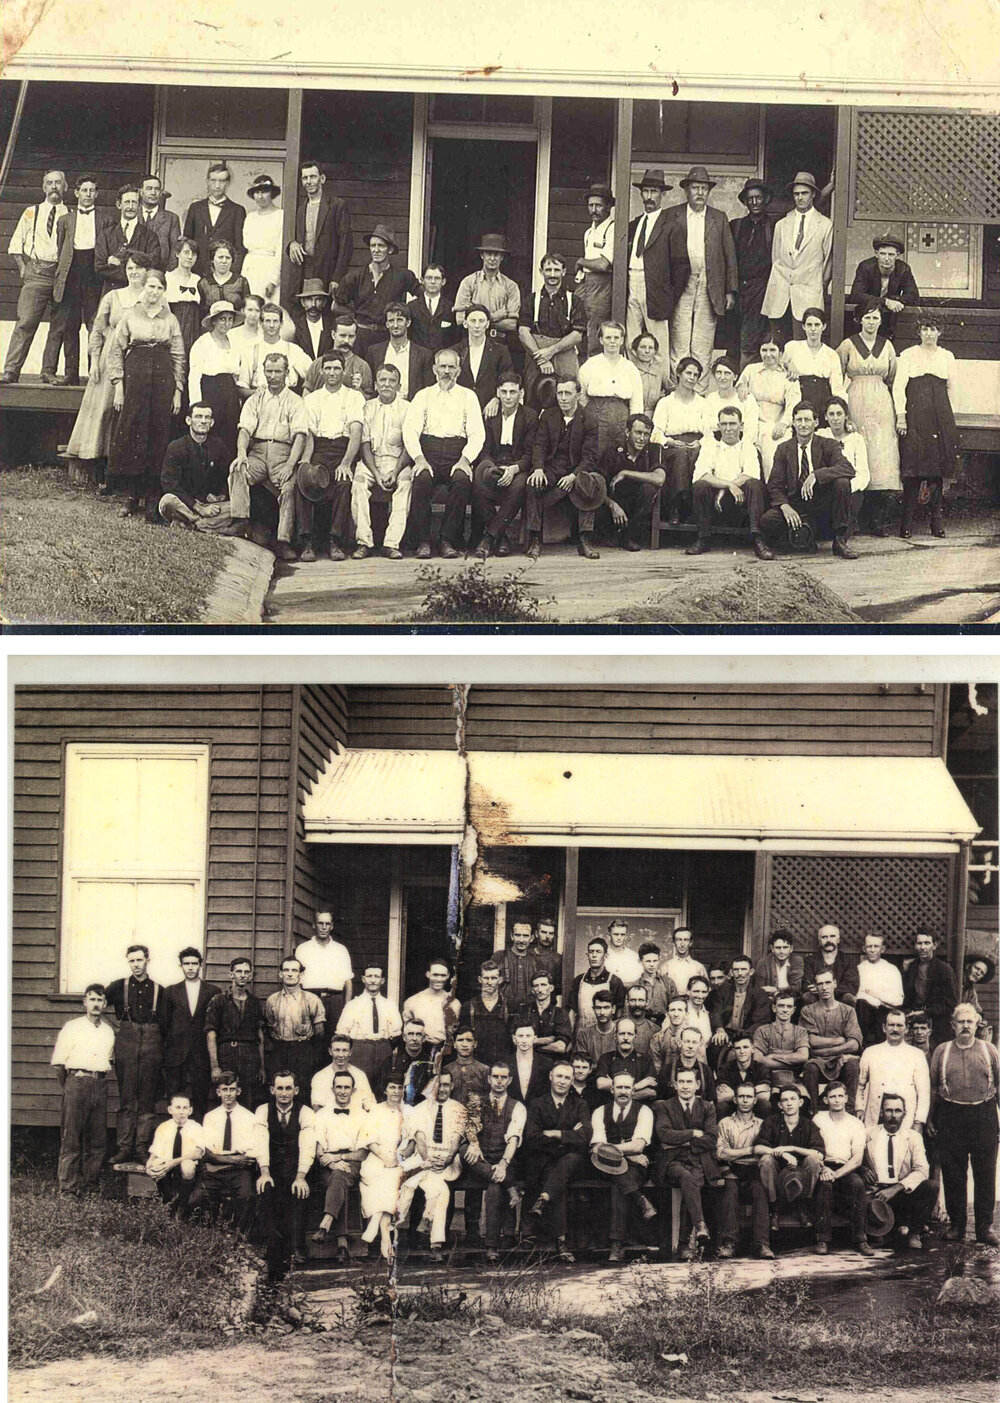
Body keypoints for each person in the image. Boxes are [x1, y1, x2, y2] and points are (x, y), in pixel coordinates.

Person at [103, 267, 184, 519]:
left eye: (159, 288)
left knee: (158, 434)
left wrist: (178, 391)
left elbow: (179, 356)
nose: (154, 292)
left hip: (162, 380)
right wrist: (118, 386)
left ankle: (152, 496)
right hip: (135, 378)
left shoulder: (170, 319)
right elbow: (116, 351)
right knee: (133, 433)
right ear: (144, 287)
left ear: (164, 291)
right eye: (151, 286)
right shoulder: (130, 315)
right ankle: (132, 495)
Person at [402, 347, 485, 559]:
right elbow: (410, 431)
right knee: (421, 480)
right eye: (442, 366)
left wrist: (465, 460)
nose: (446, 371)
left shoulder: (468, 396)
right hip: (427, 452)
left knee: (462, 481)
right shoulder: (423, 396)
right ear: (434, 369)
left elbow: (477, 433)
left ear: (458, 370)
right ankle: (423, 541)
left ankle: (447, 540)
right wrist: (419, 458)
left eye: (451, 367)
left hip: (456, 453)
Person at [929, 1005, 1000, 1246]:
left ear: (977, 1024)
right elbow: (934, 1087)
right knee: (953, 1173)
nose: (966, 1026)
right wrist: (931, 1118)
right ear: (953, 1025)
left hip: (984, 1114)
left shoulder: (989, 1050)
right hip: (951, 1114)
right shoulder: (942, 1051)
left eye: (970, 1022)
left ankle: (984, 1227)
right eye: (961, 1022)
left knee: (985, 1173)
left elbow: (999, 1085)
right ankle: (957, 1225)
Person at [227, 351, 309, 559]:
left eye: (278, 371)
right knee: (238, 469)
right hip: (258, 452)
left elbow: (300, 436)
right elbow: (245, 430)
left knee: (289, 486)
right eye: (269, 371)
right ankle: (241, 521)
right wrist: (241, 454)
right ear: (263, 372)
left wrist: (290, 464)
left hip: (283, 453)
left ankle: (283, 541)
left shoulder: (295, 401)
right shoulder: (255, 400)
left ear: (287, 373)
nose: (273, 376)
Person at [665, 165, 738, 390]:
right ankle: (678, 390)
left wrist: (730, 290)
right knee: (679, 339)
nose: (699, 193)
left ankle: (700, 392)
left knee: (703, 341)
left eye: (704, 188)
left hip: (709, 284)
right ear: (686, 190)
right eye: (695, 188)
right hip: (681, 284)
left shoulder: (719, 217)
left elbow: (729, 256)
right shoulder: (672, 215)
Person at [760, 401, 857, 558]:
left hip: (821, 503)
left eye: (807, 420)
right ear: (793, 423)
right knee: (767, 521)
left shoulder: (828, 444)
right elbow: (774, 485)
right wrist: (785, 506)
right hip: (795, 503)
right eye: (799, 420)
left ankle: (839, 541)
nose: (803, 424)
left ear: (816, 422)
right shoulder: (784, 449)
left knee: (842, 483)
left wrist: (816, 475)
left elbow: (848, 468)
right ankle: (802, 538)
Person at [835, 297, 899, 533]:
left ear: (880, 321)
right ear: (859, 320)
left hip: (881, 403)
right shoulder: (848, 345)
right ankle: (853, 518)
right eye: (867, 317)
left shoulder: (887, 346)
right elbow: (837, 373)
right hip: (856, 400)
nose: (871, 322)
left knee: (881, 456)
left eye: (875, 318)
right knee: (859, 453)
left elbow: (892, 376)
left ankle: (876, 519)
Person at [295, 349, 365, 563]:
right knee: (304, 481)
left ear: (344, 371)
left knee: (344, 482)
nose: (332, 372)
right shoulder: (312, 399)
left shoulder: (354, 397)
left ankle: (335, 540)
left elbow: (356, 433)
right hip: (319, 448)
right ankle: (307, 541)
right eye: (328, 368)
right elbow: (309, 435)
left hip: (343, 449)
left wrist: (346, 463)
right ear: (321, 371)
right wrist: (306, 461)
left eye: (336, 368)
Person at [893, 310, 958, 540]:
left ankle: (936, 523)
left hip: (940, 417)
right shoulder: (908, 355)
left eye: (933, 329)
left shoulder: (947, 356)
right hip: (916, 417)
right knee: (913, 470)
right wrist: (901, 415)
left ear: (939, 332)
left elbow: (952, 388)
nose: (929, 333)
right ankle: (906, 524)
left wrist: (949, 418)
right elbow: (899, 387)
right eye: (925, 329)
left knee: (936, 472)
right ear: (919, 332)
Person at [525, 374, 604, 560]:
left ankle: (585, 539)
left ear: (578, 395)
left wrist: (573, 476)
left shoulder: (589, 419)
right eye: (559, 393)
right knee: (533, 483)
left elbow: (590, 457)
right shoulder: (548, 416)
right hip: (553, 468)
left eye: (567, 393)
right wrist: (538, 469)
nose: (563, 398)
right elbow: (539, 445)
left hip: (577, 469)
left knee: (588, 483)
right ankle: (535, 539)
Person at [2, 169, 70, 384]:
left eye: (58, 183)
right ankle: (11, 370)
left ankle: (48, 371)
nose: (54, 187)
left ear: (65, 187)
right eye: (50, 183)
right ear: (43, 187)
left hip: (61, 275)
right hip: (36, 273)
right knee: (26, 322)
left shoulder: (71, 214)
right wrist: (23, 267)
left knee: (58, 327)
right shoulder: (31, 212)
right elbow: (15, 244)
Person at [522, 1061, 591, 1263]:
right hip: (544, 1161)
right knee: (557, 1180)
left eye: (567, 1078)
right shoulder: (536, 1104)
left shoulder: (580, 1105)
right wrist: (568, 1136)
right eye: (559, 1076)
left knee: (569, 1161)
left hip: (573, 1163)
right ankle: (561, 1242)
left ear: (572, 1081)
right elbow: (532, 1137)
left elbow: (586, 1136)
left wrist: (553, 1133)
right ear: (550, 1076)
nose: (562, 1081)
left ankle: (543, 1201)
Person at [51, 983, 115, 1194]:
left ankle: (90, 1187)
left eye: (100, 1000)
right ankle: (68, 1189)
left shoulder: (108, 1031)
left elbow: (109, 1060)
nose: (96, 1004)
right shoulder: (72, 1027)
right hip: (77, 1082)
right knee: (71, 1137)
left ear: (105, 1003)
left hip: (100, 1084)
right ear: (85, 1002)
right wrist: (70, 1086)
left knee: (97, 1139)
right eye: (92, 999)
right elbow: (59, 1064)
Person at [395, 1068, 466, 1260]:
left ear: (452, 1086)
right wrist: (428, 1160)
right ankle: (434, 1242)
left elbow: (456, 1141)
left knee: (428, 1182)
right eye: (438, 1085)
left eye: (446, 1085)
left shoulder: (459, 1109)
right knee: (440, 1191)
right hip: (423, 1158)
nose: (441, 1089)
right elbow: (420, 1139)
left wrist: (447, 1159)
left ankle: (426, 1222)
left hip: (447, 1161)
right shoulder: (420, 1109)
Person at [459, 1060, 526, 1261]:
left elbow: (513, 1139)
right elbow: (470, 1128)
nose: (499, 1081)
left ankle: (491, 1247)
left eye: (503, 1077)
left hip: (504, 1161)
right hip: (480, 1162)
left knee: (495, 1188)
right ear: (488, 1079)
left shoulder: (517, 1107)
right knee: (463, 1150)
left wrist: (503, 1164)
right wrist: (473, 1143)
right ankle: (509, 1186)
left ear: (509, 1080)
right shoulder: (476, 1102)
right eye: (495, 1077)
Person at [687, 404, 771, 559]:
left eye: (732, 424)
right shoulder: (711, 447)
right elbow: (701, 475)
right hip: (715, 505)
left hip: (741, 504)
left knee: (754, 485)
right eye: (724, 424)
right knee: (700, 486)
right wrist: (728, 485)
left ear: (741, 426)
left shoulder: (748, 447)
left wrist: (726, 489)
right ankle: (703, 538)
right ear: (718, 426)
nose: (728, 428)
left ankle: (758, 539)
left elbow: (751, 474)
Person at [254, 1068, 316, 1280]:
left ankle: (297, 1245)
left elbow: (308, 1146)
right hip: (270, 1166)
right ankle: (268, 1243)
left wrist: (301, 1176)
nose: (284, 1093)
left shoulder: (305, 1112)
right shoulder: (263, 1110)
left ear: (296, 1090)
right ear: (272, 1090)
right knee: (265, 1189)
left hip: (296, 1167)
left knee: (300, 1191)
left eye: (288, 1088)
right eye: (279, 1088)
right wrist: (264, 1171)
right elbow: (260, 1141)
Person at [654, 1067, 721, 1259]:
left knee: (692, 1183)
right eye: (681, 1082)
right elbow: (664, 1134)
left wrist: (682, 1141)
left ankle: (684, 1245)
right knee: (686, 1177)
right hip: (672, 1161)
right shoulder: (664, 1106)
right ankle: (699, 1226)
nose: (685, 1086)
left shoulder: (707, 1107)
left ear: (697, 1085)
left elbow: (711, 1139)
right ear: (675, 1085)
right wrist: (692, 1133)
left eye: (689, 1082)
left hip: (699, 1160)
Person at [105, 946, 163, 1164]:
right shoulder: (118, 986)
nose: (136, 964)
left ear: (148, 960)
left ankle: (141, 1147)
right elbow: (98, 1004)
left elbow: (166, 1023)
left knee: (147, 1100)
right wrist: (114, 1027)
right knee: (127, 1098)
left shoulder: (158, 990)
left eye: (139, 960)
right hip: (126, 1044)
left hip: (151, 1045)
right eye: (132, 961)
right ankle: (124, 1148)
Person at [591, 1072, 658, 1262]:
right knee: (615, 1174)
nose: (623, 1091)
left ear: (633, 1090)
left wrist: (621, 1151)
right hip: (604, 1165)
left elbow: (639, 1145)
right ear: (612, 1089)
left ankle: (616, 1245)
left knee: (618, 1183)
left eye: (627, 1087)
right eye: (619, 1087)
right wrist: (629, 1154)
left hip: (636, 1168)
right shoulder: (599, 1111)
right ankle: (640, 1200)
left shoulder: (644, 1111)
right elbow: (598, 1148)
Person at [625, 168, 688, 368]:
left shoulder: (671, 226)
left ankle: (661, 384)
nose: (649, 197)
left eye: (654, 192)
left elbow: (682, 267)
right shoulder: (635, 224)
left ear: (662, 195)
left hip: (656, 288)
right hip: (632, 282)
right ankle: (637, 382)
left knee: (657, 344)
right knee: (631, 341)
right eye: (646, 191)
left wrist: (669, 296)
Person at [472, 371, 538, 559]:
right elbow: (484, 449)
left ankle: (489, 537)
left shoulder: (530, 416)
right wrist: (491, 466)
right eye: (504, 392)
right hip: (494, 462)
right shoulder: (490, 414)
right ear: (498, 393)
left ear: (521, 393)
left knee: (520, 486)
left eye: (513, 392)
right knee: (479, 478)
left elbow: (530, 453)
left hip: (518, 465)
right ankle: (502, 539)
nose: (508, 397)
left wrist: (514, 469)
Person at [189, 1071, 264, 1233]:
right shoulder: (210, 1117)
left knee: (247, 1197)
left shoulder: (250, 1117)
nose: (228, 1094)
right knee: (195, 1199)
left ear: (239, 1091)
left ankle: (239, 1237)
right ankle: (208, 1235)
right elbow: (207, 1153)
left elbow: (249, 1158)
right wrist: (232, 1160)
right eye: (224, 1089)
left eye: (232, 1089)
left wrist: (224, 1160)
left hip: (238, 1171)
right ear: (218, 1092)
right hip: (216, 1170)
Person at [352, 364, 413, 560]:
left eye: (392, 381)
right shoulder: (367, 407)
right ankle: (364, 542)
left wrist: (395, 472)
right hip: (371, 462)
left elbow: (409, 445)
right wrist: (376, 474)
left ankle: (391, 544)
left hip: (398, 462)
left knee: (406, 484)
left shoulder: (408, 408)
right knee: (358, 484)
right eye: (382, 380)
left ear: (399, 386)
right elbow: (364, 444)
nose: (387, 384)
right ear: (376, 385)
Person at [762, 171, 833, 341]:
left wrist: (817, 286)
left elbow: (827, 263)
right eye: (796, 194)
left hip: (808, 294)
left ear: (813, 194)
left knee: (803, 345)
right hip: (780, 295)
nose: (800, 198)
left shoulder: (825, 225)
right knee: (779, 343)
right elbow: (776, 258)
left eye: (804, 193)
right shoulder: (782, 224)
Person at [51, 174, 106, 384]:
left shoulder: (105, 220)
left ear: (97, 194)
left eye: (92, 190)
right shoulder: (65, 220)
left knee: (95, 326)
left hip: (94, 276)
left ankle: (94, 374)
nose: (88, 194)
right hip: (72, 275)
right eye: (84, 190)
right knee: (70, 326)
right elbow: (61, 250)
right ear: (76, 193)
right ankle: (71, 373)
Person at [863, 1092, 935, 1252]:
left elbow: (922, 1169)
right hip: (876, 1192)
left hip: (901, 1191)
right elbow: (854, 1158)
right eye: (889, 1110)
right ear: (881, 1112)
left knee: (931, 1186)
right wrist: (863, 1169)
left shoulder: (913, 1137)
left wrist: (896, 1188)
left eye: (897, 1111)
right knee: (878, 1235)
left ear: (904, 1113)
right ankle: (896, 1227)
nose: (893, 1115)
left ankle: (914, 1233)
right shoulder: (867, 1134)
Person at [754, 1085, 825, 1246]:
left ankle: (803, 1205)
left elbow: (819, 1153)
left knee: (814, 1161)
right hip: (778, 1173)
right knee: (766, 1160)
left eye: (793, 1099)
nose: (789, 1103)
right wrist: (781, 1153)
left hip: (801, 1173)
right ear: (780, 1105)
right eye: (784, 1100)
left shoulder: (808, 1125)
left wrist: (792, 1148)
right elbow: (758, 1148)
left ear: (800, 1102)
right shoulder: (771, 1122)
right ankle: (774, 1208)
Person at [336, 223, 419, 357]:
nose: (376, 250)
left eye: (381, 246)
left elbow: (423, 297)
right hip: (361, 336)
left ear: (390, 249)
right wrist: (354, 316)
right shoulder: (356, 276)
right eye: (373, 246)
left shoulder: (402, 276)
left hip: (387, 336)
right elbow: (336, 305)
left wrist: (404, 312)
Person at [310, 1070, 369, 1259]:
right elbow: (319, 1151)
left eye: (347, 1087)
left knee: (340, 1176)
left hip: (351, 1162)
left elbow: (362, 1153)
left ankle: (326, 1224)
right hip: (327, 1165)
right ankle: (341, 1242)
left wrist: (340, 1158)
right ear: (332, 1089)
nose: (343, 1091)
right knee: (338, 1177)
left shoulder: (362, 1115)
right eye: (339, 1087)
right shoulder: (322, 1115)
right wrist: (332, 1163)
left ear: (353, 1090)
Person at [158, 948, 221, 1120]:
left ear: (200, 965)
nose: (190, 967)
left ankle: (198, 1132)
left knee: (200, 1098)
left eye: (194, 963)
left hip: (201, 1053)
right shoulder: (170, 991)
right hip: (175, 1054)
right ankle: (175, 1131)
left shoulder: (213, 991)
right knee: (174, 1097)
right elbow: (164, 1024)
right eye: (186, 964)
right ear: (181, 966)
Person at [517, 251, 585, 409]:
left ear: (564, 271)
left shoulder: (574, 300)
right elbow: (523, 332)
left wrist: (551, 351)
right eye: (548, 270)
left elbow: (577, 335)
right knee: (532, 401)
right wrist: (541, 358)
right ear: (541, 272)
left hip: (564, 355)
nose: (552, 274)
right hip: (536, 355)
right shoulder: (531, 300)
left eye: (556, 270)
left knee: (567, 399)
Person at [813, 1082, 874, 1256]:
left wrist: (837, 1174)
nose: (837, 1100)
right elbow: (813, 1148)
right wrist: (824, 1169)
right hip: (823, 1165)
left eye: (840, 1096)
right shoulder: (818, 1119)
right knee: (824, 1185)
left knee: (857, 1184)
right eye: (832, 1096)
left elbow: (857, 1158)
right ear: (826, 1100)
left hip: (846, 1167)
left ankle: (861, 1239)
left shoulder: (856, 1123)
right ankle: (823, 1239)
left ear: (846, 1098)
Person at [717, 1082, 772, 1257]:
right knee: (729, 1191)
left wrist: (734, 1153)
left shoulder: (763, 1124)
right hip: (731, 1170)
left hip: (754, 1171)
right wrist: (751, 1150)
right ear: (735, 1099)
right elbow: (721, 1153)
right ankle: (730, 1242)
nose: (745, 1100)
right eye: (741, 1096)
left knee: (760, 1191)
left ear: (755, 1100)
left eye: (749, 1097)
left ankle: (762, 1244)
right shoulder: (725, 1123)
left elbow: (765, 1153)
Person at [730, 178, 780, 370]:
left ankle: (747, 377)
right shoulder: (736, 226)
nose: (754, 202)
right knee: (733, 339)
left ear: (766, 199)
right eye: (750, 198)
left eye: (758, 197)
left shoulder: (774, 226)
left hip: (761, 289)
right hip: (738, 290)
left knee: (751, 339)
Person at [649, 357, 707, 525]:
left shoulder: (703, 403)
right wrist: (670, 442)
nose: (692, 378)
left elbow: (709, 431)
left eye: (696, 375)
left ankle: (694, 508)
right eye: (688, 373)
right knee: (681, 456)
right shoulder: (666, 402)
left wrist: (700, 443)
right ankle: (676, 506)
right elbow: (656, 433)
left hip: (696, 444)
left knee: (697, 455)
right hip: (672, 446)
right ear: (679, 374)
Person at [205, 957, 267, 1111]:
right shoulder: (218, 1000)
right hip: (227, 1054)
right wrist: (214, 1066)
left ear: (250, 975)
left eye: (246, 972)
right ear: (231, 974)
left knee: (248, 1099)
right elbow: (211, 1034)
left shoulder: (254, 1002)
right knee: (226, 1096)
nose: (243, 975)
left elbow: (259, 1036)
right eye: (239, 971)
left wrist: (261, 1067)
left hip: (249, 1056)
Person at [159, 402, 232, 531]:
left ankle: (191, 524)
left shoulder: (219, 446)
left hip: (210, 505)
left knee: (237, 508)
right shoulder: (176, 447)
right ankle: (202, 523)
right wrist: (198, 508)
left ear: (212, 422)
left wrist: (221, 495)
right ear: (188, 420)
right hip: (185, 503)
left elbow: (228, 475)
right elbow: (169, 484)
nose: (203, 421)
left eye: (207, 417)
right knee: (167, 501)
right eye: (198, 416)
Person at [856, 1008, 931, 1134]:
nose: (895, 1029)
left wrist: (919, 1121)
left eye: (899, 1025)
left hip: (905, 1117)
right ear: (884, 1028)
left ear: (906, 1029)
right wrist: (859, 1108)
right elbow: (860, 1085)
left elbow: (924, 1093)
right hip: (876, 1115)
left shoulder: (917, 1055)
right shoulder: (870, 1052)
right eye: (891, 1025)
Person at [286, 160, 353, 300]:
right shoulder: (301, 209)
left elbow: (346, 245)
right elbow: (296, 237)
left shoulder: (336, 206)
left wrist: (337, 278)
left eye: (312, 177)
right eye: (305, 178)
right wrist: (292, 244)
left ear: (322, 179)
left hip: (327, 272)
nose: (308, 181)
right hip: (304, 271)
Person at [358, 1072, 406, 1261]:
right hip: (377, 1156)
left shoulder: (408, 1111)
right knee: (375, 1177)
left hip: (398, 1158)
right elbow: (368, 1139)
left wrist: (398, 1156)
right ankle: (386, 1236)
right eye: (392, 1087)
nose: (396, 1091)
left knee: (392, 1179)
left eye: (400, 1087)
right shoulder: (376, 1110)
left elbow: (411, 1140)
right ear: (385, 1090)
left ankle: (378, 1228)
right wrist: (384, 1157)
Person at [578, 319, 644, 457]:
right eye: (608, 337)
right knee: (594, 455)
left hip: (621, 421)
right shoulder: (590, 365)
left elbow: (636, 402)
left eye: (616, 338)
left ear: (622, 340)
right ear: (601, 340)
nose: (612, 341)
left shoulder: (630, 368)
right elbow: (581, 395)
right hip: (595, 420)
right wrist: (591, 416)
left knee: (618, 456)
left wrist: (633, 426)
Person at [799, 969, 863, 1111]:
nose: (824, 987)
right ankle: (813, 1111)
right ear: (816, 987)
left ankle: (849, 1110)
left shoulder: (848, 1011)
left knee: (852, 1063)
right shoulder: (808, 1011)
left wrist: (825, 1050)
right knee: (810, 1067)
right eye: (820, 984)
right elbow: (811, 1040)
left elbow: (854, 1044)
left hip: (841, 1060)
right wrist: (839, 1041)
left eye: (828, 982)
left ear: (835, 984)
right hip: (817, 1061)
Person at [601, 413, 665, 553]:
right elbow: (599, 486)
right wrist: (612, 505)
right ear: (627, 432)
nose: (642, 438)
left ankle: (629, 536)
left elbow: (660, 479)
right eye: (638, 432)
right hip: (613, 508)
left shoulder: (653, 450)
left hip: (637, 510)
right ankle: (612, 533)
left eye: (646, 434)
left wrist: (626, 473)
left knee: (649, 488)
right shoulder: (613, 451)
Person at [736, 339, 799, 475]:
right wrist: (741, 386)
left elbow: (793, 404)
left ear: (780, 353)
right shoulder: (751, 370)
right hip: (750, 423)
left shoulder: (788, 375)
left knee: (771, 460)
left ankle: (772, 487)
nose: (768, 354)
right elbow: (738, 389)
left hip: (775, 424)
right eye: (764, 350)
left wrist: (784, 423)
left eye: (772, 350)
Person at [188, 300, 241, 458]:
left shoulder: (234, 342)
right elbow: (194, 376)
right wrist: (197, 406)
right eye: (222, 319)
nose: (226, 323)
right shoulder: (203, 343)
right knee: (211, 433)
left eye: (230, 319)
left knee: (230, 433)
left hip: (230, 393)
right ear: (214, 321)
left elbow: (236, 373)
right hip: (211, 390)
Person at [264, 956, 326, 1090]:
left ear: (301, 975)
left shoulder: (312, 999)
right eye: (286, 970)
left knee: (302, 1088)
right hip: (279, 1050)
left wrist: (307, 1049)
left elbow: (320, 1032)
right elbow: (269, 1028)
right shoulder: (272, 1000)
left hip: (303, 1050)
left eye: (294, 970)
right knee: (279, 1087)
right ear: (281, 974)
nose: (290, 974)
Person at [336, 963, 402, 1087]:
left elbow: (396, 1035)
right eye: (369, 976)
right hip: (361, 1051)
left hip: (384, 1049)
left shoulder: (390, 1005)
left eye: (376, 976)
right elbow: (342, 1033)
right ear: (363, 979)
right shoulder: (353, 1005)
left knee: (383, 1085)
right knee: (361, 1085)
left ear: (382, 980)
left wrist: (383, 1046)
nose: (372, 980)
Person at [453, 234, 521, 349]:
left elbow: (511, 324)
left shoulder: (511, 286)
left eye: (496, 254)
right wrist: (494, 317)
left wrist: (475, 320)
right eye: (489, 253)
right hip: (472, 342)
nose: (492, 258)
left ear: (502, 257)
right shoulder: (469, 282)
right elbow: (460, 319)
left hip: (500, 342)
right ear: (482, 255)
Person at [782, 307, 846, 426]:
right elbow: (779, 366)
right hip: (799, 397)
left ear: (824, 326)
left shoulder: (831, 354)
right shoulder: (792, 347)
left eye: (817, 325)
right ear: (803, 326)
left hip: (822, 399)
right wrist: (788, 364)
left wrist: (843, 412)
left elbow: (837, 387)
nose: (813, 329)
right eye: (809, 324)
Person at [849, 234, 919, 342]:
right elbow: (856, 295)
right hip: (864, 319)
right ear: (876, 254)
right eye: (882, 254)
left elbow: (913, 296)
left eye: (891, 254)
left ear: (897, 255)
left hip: (887, 321)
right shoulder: (866, 267)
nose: (886, 258)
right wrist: (885, 302)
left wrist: (894, 300)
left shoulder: (903, 269)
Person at [294, 908, 355, 1032]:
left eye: (327, 924)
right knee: (309, 1037)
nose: (323, 927)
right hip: (309, 999)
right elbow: (297, 980)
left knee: (334, 1037)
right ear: (314, 925)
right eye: (320, 923)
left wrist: (346, 1009)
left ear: (331, 926)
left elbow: (348, 982)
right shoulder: (303, 949)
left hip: (334, 1001)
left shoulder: (340, 950)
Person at [145, 1093, 205, 1216]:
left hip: (188, 1167)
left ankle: (183, 1203)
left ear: (190, 1110)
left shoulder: (195, 1127)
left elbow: (198, 1153)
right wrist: (149, 1165)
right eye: (177, 1108)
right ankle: (169, 1202)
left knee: (187, 1166)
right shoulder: (164, 1127)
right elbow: (155, 1151)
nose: (181, 1112)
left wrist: (174, 1162)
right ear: (170, 1110)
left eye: (185, 1108)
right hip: (168, 1166)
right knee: (156, 1164)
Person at [95, 184, 160, 293]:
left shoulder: (150, 236)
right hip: (113, 292)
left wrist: (121, 263)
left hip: (140, 294)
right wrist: (138, 268)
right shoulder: (106, 235)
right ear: (119, 205)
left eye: (134, 202)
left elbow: (153, 264)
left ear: (139, 206)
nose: (130, 206)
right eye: (127, 202)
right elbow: (99, 267)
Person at [817, 397, 870, 532]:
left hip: (849, 491)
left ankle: (843, 533)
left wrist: (845, 489)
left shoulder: (856, 439)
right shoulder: (821, 436)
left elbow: (863, 475)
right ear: (825, 417)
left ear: (846, 416)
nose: (835, 418)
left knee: (842, 484)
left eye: (839, 414)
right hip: (826, 490)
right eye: (831, 414)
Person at [183, 162, 246, 276]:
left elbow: (239, 247)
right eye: (213, 180)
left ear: (228, 182)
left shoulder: (237, 210)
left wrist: (232, 273)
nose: (217, 185)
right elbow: (188, 242)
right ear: (207, 181)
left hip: (224, 272)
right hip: (197, 271)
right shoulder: (195, 208)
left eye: (222, 181)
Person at [575, 182, 616, 357]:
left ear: (608, 206)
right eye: (590, 205)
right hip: (586, 282)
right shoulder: (589, 232)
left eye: (598, 205)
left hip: (602, 285)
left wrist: (581, 261)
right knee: (577, 322)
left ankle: (593, 364)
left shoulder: (613, 229)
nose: (594, 210)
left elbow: (603, 264)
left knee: (595, 329)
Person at [902, 930, 960, 1048]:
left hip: (937, 1022)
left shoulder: (944, 969)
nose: (923, 947)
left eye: (927, 943)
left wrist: (927, 1012)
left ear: (934, 945)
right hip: (914, 1020)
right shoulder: (911, 968)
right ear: (915, 946)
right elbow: (906, 998)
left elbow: (951, 1003)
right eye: (919, 943)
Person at [238, 303, 312, 394]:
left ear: (281, 323)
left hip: (288, 399)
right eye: (268, 321)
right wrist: (256, 393)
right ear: (261, 323)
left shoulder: (293, 350)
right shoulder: (251, 351)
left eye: (275, 321)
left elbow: (313, 374)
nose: (272, 325)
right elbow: (242, 388)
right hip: (261, 398)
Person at [367, 301, 433, 402]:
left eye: (400, 320)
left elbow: (427, 391)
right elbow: (370, 386)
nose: (395, 325)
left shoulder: (423, 355)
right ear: (387, 324)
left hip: (412, 406)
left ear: (408, 322)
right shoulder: (374, 352)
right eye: (391, 321)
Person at [458, 303, 514, 417]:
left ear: (487, 324)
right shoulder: (456, 351)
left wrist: (497, 399)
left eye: (481, 321)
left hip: (489, 410)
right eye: (473, 321)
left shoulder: (500, 350)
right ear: (465, 323)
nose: (477, 325)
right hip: (461, 408)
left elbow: (507, 378)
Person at [708, 955, 773, 1054]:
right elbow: (716, 1012)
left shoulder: (759, 994)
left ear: (751, 972)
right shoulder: (723, 990)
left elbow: (760, 1021)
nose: (740, 974)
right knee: (715, 1045)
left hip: (748, 1034)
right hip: (726, 1032)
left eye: (743, 969)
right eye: (736, 970)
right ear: (731, 972)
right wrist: (720, 1030)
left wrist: (741, 1037)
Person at [753, 993, 809, 1106]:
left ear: (793, 1010)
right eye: (781, 1006)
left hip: (793, 1081)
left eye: (789, 1006)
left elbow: (803, 1056)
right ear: (774, 1008)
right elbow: (758, 1059)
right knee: (769, 1104)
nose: (785, 1010)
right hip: (769, 1080)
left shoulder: (800, 1031)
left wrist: (773, 1055)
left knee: (804, 1103)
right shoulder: (762, 1030)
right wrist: (792, 1061)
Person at [302, 314, 374, 396]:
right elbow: (306, 396)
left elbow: (369, 400)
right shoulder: (317, 364)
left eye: (351, 336)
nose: (346, 341)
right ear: (333, 335)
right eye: (342, 336)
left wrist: (358, 389)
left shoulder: (362, 367)